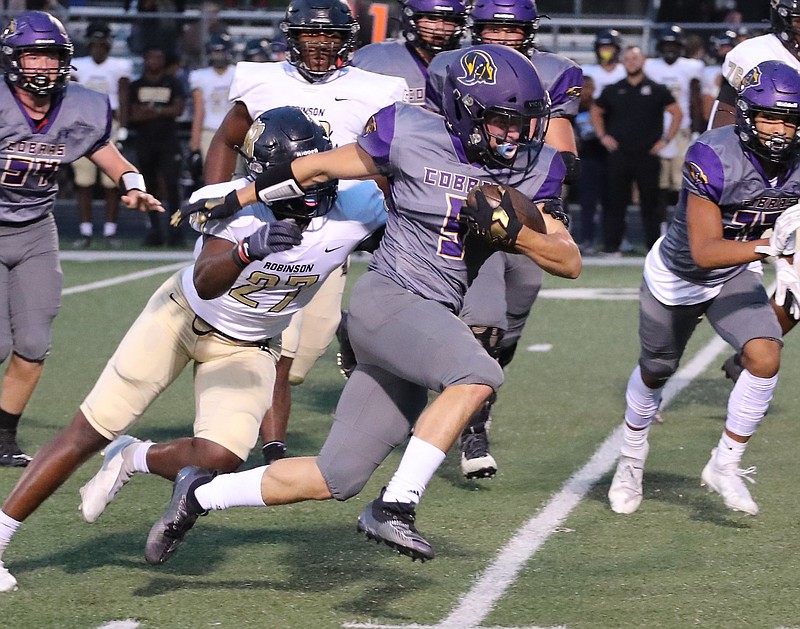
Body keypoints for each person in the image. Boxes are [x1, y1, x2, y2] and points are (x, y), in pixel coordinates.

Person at [144, 44, 581, 566]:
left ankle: (197, 495)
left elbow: (568, 258)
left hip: (429, 319)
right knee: (476, 374)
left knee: (337, 475)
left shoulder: (535, 169)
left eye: (525, 123)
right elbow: (314, 168)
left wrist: (519, 237)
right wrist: (232, 197)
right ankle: (397, 504)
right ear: (467, 110)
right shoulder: (411, 133)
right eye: (504, 121)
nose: (517, 135)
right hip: (389, 300)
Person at [0, 107, 388, 593]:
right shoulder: (234, 204)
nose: (309, 189)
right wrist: (250, 249)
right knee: (90, 429)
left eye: (315, 173)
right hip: (181, 317)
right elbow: (206, 281)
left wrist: (358, 329)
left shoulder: (359, 204)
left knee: (221, 456)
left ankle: (134, 457)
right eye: (293, 179)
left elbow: (399, 233)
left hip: (249, 345)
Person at [202, 0, 408, 466]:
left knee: (303, 355)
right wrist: (219, 199)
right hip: (269, 224)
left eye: (330, 36)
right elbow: (227, 137)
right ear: (292, 36)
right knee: (276, 343)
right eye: (311, 36)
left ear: (347, 39)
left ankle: (345, 333)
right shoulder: (261, 80)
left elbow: (394, 156)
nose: (319, 45)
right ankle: (275, 449)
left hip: (336, 227)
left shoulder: (377, 89)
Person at [0, 10, 163, 588]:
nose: (43, 66)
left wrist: (135, 184)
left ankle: (4, 432)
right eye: (33, 55)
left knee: (36, 342)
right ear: (14, 59)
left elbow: (107, 153)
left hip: (36, 228)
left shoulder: (81, 106)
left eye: (51, 55)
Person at [607, 61, 800, 517]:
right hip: (679, 275)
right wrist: (773, 246)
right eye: (771, 117)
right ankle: (631, 459)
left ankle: (725, 464)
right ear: (747, 115)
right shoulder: (713, 154)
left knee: (765, 354)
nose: (780, 131)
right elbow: (705, 251)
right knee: (657, 369)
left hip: (738, 273)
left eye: (790, 120)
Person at [422, 0, 583, 478]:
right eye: (493, 27)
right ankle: (474, 429)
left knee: (517, 308)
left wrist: (554, 172)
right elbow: (435, 133)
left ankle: (485, 373)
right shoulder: (451, 68)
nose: (504, 37)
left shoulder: (555, 72)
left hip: (525, 196)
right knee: (483, 320)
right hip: (471, 199)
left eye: (513, 29)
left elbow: (561, 140)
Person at [709, 0, 800, 382]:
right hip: (751, 178)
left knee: (797, 287)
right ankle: (653, 375)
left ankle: (753, 354)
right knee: (696, 283)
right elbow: (722, 125)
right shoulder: (754, 54)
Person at [591, 45, 682, 255]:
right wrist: (603, 136)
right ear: (623, 61)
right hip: (619, 154)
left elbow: (677, 113)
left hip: (647, 154)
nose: (632, 62)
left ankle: (654, 247)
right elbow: (596, 111)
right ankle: (611, 246)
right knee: (615, 201)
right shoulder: (613, 89)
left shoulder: (657, 89)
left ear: (644, 61)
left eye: (636, 58)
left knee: (651, 203)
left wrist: (665, 139)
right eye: (628, 58)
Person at [70, 20, 134, 249]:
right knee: (84, 182)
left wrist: (124, 128)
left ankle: (109, 231)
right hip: (82, 127)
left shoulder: (119, 66)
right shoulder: (78, 65)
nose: (98, 48)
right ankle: (85, 231)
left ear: (108, 44)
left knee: (113, 182)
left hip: (109, 125)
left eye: (102, 43)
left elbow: (124, 98)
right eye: (94, 43)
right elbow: (71, 98)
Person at [644, 25, 704, 229]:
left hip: (682, 131)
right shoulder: (650, 66)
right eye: (666, 45)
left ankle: (682, 227)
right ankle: (660, 226)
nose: (669, 49)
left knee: (682, 184)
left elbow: (695, 100)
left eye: (673, 45)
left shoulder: (691, 67)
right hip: (655, 131)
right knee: (658, 184)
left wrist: (697, 130)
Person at [351, 0, 467, 106]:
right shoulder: (375, 58)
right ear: (413, 19)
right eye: (431, 18)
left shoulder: (466, 60)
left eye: (448, 20)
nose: (440, 28)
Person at [129, 45, 187, 247]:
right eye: (150, 57)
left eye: (158, 57)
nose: (154, 61)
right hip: (145, 141)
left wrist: (151, 111)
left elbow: (178, 110)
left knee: (172, 186)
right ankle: (154, 231)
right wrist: (163, 110)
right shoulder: (136, 85)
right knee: (148, 187)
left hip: (168, 141)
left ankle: (175, 230)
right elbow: (133, 114)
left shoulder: (173, 83)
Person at [578, 29, 626, 253]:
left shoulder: (625, 72)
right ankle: (587, 238)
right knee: (589, 197)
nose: (605, 52)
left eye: (609, 47)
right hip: (591, 141)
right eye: (602, 48)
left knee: (615, 195)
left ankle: (615, 238)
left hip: (618, 139)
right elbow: (581, 102)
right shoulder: (587, 72)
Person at [188, 33, 235, 164]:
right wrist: (195, 144)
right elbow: (199, 111)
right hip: (209, 131)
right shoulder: (200, 76)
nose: (219, 55)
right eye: (216, 52)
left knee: (236, 175)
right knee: (211, 174)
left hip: (235, 131)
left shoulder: (238, 73)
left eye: (221, 51)